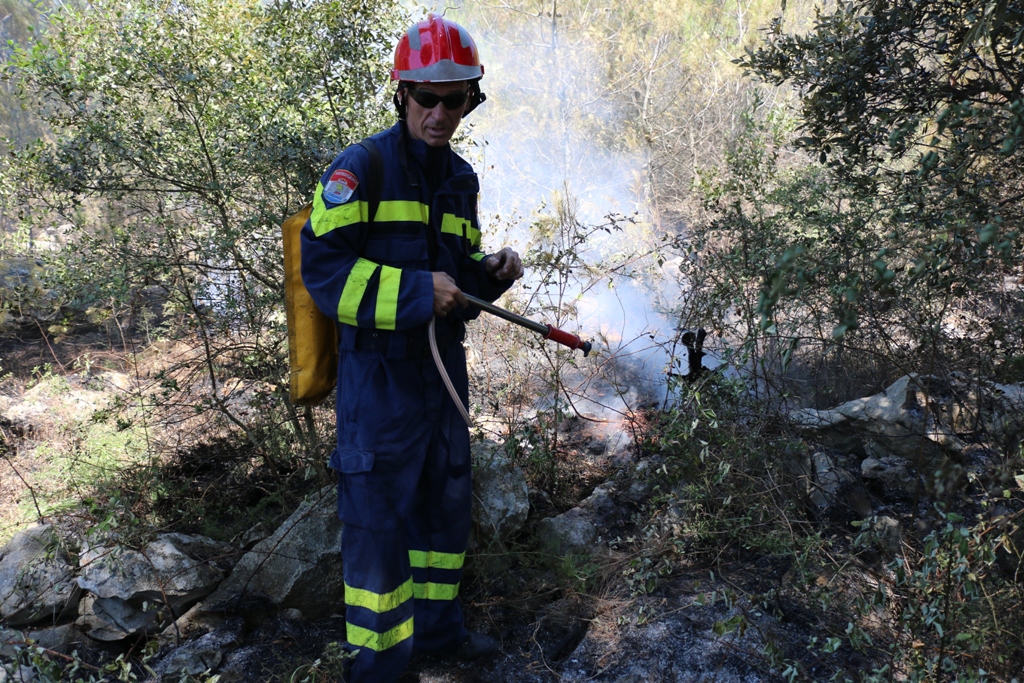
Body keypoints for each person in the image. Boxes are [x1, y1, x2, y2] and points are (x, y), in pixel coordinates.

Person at [300, 14, 524, 683]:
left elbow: (455, 280)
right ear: (401, 94)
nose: (439, 112)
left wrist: (489, 275)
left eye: (454, 99)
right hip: (381, 383)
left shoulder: (461, 180)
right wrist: (415, 292)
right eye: (426, 97)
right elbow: (325, 274)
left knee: (444, 505)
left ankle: (437, 637)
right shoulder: (358, 170)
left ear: (469, 102)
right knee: (377, 528)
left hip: (440, 373)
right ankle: (378, 667)